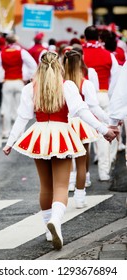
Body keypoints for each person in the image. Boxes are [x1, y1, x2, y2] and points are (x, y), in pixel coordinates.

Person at [3, 51, 117, 251]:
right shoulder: (68, 86)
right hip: (61, 133)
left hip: (39, 134)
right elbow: (82, 112)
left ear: (39, 67)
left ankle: (48, 229)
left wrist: (10, 142)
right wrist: (104, 130)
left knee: (45, 186)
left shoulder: (30, 88)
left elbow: (22, 117)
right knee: (62, 186)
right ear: (59, 66)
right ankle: (56, 221)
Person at [63, 50, 110, 204]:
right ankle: (80, 198)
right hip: (82, 122)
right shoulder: (86, 83)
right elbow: (94, 107)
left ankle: (68, 185)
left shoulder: (60, 83)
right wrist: (108, 120)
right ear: (80, 64)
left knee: (65, 158)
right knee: (82, 161)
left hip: (64, 122)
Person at [83, 25, 120, 181]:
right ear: (98, 37)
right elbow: (116, 79)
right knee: (103, 134)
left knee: (83, 136)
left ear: (85, 37)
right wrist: (110, 96)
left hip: (84, 96)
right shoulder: (108, 55)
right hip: (103, 95)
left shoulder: (79, 54)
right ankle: (104, 171)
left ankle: (82, 175)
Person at [0, 33, 37, 138]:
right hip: (19, 81)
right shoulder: (22, 52)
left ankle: (6, 132)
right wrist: (26, 77)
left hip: (7, 82)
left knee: (6, 108)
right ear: (15, 41)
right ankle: (19, 133)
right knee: (19, 108)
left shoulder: (1, 53)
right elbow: (33, 66)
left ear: (6, 42)